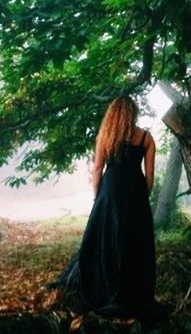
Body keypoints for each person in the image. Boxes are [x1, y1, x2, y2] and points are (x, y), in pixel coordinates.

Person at [51, 95, 158, 318]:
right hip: (135, 193)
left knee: (106, 238)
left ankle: (106, 286)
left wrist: (98, 197)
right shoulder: (146, 138)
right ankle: (134, 291)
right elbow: (149, 175)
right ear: (133, 113)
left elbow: (97, 169)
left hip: (110, 192)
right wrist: (142, 197)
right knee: (135, 241)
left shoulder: (106, 137)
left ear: (113, 114)